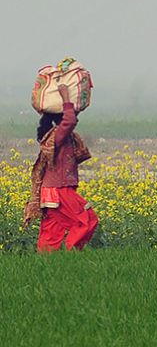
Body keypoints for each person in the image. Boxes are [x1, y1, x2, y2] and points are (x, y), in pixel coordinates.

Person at [23, 85, 98, 252]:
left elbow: (72, 119)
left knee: (52, 230)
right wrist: (65, 97)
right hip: (60, 190)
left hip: (50, 192)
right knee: (87, 219)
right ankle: (72, 253)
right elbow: (70, 120)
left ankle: (46, 264)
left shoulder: (55, 138)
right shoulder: (57, 137)